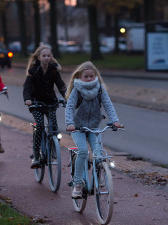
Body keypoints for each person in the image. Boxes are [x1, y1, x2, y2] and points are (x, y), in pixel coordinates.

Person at [65, 61, 123, 199]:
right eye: (87, 76)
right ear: (80, 77)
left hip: (94, 127)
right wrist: (70, 123)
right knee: (83, 152)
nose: (90, 78)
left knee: (99, 154)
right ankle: (77, 184)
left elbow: (108, 104)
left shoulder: (100, 89)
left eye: (92, 75)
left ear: (95, 75)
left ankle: (101, 175)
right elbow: (70, 107)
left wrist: (115, 120)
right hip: (78, 127)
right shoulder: (77, 90)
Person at [23, 46, 67, 169]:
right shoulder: (33, 71)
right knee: (40, 125)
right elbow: (27, 87)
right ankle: (36, 155)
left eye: (49, 56)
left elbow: (61, 86)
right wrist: (27, 99)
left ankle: (53, 149)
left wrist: (68, 97)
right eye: (44, 56)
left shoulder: (53, 70)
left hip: (50, 102)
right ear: (39, 57)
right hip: (36, 103)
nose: (46, 58)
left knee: (54, 128)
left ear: (51, 57)